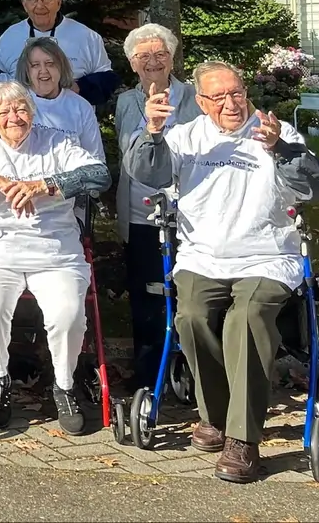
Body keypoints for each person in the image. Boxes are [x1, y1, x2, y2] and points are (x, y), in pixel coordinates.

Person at [126, 62, 319, 483]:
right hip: (202, 257)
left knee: (246, 319)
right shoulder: (185, 137)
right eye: (219, 97)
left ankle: (242, 440)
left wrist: (281, 149)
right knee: (190, 317)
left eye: (237, 93)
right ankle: (217, 416)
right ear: (202, 103)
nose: (231, 103)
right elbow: (146, 174)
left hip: (266, 256)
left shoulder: (273, 132)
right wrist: (151, 131)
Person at [0, 81, 111, 435]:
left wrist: (44, 184)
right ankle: (0, 378)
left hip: (56, 251)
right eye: (4, 112)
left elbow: (99, 174)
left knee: (69, 315)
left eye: (21, 109)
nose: (15, 117)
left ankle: (64, 385)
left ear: (32, 112)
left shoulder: (57, 142)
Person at [114, 23, 202, 391]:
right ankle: (149, 377)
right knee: (147, 297)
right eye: (144, 56)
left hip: (193, 216)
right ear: (133, 64)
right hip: (142, 212)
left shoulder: (195, 97)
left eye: (160, 54)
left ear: (172, 58)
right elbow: (129, 153)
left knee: (193, 296)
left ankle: (195, 372)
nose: (153, 62)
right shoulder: (125, 103)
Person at [0, 2, 104, 162]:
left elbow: (96, 164)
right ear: (26, 70)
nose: (43, 71)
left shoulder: (80, 107)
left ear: (61, 67)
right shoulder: (14, 98)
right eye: (35, 65)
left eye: (50, 64)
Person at [0, 0, 119, 106]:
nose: (40, 5)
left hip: (74, 118)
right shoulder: (9, 38)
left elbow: (107, 78)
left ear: (58, 2)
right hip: (23, 120)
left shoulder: (86, 36)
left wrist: (78, 88)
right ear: (25, 4)